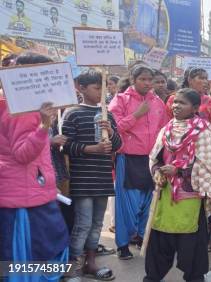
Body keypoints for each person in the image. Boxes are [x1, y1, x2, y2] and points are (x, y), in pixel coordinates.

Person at [145, 88, 211, 282]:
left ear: (195, 107)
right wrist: (157, 171)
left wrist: (180, 171)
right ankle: (152, 277)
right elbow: (155, 156)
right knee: (160, 238)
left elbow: (207, 166)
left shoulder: (204, 130)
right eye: (175, 102)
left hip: (190, 197)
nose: (176, 106)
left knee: (191, 243)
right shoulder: (167, 128)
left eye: (182, 103)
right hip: (166, 195)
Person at [0, 53, 69, 282]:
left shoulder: (15, 105)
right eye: (45, 74)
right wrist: (43, 127)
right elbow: (22, 154)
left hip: (25, 191)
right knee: (38, 256)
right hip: (25, 197)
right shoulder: (22, 110)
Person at [62, 69, 122, 281]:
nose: (100, 93)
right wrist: (90, 149)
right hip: (82, 179)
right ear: (81, 88)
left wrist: (112, 132)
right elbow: (65, 146)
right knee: (83, 223)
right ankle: (74, 266)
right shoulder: (73, 113)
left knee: (97, 224)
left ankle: (91, 262)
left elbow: (118, 145)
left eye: (103, 88)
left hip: (102, 178)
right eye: (97, 88)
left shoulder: (108, 114)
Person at [108, 64, 170, 260]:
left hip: (152, 159)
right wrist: (137, 115)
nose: (147, 83)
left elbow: (164, 130)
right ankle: (123, 244)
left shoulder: (158, 102)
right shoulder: (120, 100)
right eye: (143, 79)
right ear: (133, 80)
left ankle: (143, 237)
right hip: (129, 157)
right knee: (128, 204)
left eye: (149, 79)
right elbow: (114, 128)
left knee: (149, 201)